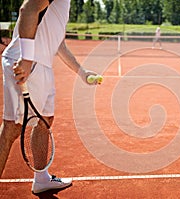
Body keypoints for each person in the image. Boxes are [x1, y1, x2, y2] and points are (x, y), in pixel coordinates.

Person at [0, 0, 99, 194]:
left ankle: (42, 179)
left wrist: (82, 72)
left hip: (40, 64)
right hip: (29, 62)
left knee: (45, 120)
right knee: (12, 127)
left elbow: (58, 43)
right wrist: (27, 59)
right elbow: (28, 9)